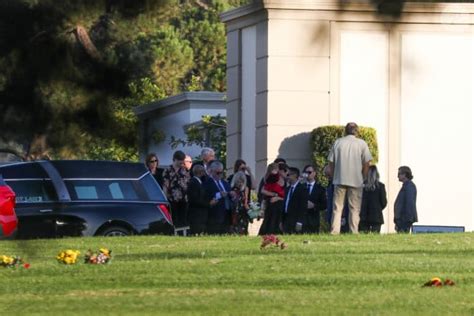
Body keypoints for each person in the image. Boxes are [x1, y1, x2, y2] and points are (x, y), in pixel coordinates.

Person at [327, 122, 372, 234]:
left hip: (339, 179)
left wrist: (333, 176)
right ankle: (354, 231)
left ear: (345, 130)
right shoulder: (362, 143)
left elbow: (331, 162)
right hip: (356, 180)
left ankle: (334, 232)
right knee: (354, 208)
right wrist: (364, 177)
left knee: (337, 208)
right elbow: (367, 162)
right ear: (357, 131)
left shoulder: (338, 142)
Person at [162, 150, 190, 228]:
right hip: (172, 199)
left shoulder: (184, 170)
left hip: (184, 199)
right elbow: (165, 185)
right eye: (180, 160)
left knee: (183, 219)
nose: (182, 162)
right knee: (174, 219)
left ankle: (183, 234)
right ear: (175, 159)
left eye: (182, 160)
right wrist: (165, 199)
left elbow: (188, 183)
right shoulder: (167, 170)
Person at [203, 160, 231, 234]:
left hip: (227, 214)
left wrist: (232, 194)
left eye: (221, 172)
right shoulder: (207, 183)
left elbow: (229, 193)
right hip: (215, 215)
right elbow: (206, 196)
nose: (220, 175)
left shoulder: (225, 183)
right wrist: (219, 195)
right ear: (211, 171)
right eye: (218, 173)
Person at [258, 163, 286, 235]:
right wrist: (275, 194)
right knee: (271, 220)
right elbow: (263, 190)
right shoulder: (272, 178)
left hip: (276, 202)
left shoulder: (282, 178)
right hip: (272, 203)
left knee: (273, 220)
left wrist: (277, 197)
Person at [359, 165, 387, 233]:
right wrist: (379, 208)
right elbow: (384, 202)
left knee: (363, 236)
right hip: (376, 215)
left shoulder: (362, 186)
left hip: (363, 214)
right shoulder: (380, 186)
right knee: (376, 236)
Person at [281, 167, 308, 234]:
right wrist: (281, 220)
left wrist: (300, 221)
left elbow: (303, 206)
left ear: (295, 175)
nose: (287, 177)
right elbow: (285, 204)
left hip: (296, 220)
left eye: (288, 175)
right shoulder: (287, 189)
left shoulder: (302, 189)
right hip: (286, 219)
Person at [302, 164, 326, 234]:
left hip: (314, 219)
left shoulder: (320, 189)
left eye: (309, 172)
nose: (307, 174)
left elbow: (324, 205)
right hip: (302, 219)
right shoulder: (301, 187)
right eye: (305, 172)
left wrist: (314, 206)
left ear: (314, 173)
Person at [394, 166, 417, 233]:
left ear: (404, 174)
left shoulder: (409, 186)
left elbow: (409, 203)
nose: (397, 176)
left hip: (404, 218)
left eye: (399, 174)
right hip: (402, 218)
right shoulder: (406, 186)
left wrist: (407, 219)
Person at [187, 164, 208, 235]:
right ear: (201, 172)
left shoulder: (198, 182)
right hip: (196, 214)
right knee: (197, 231)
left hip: (200, 213)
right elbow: (195, 199)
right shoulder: (193, 183)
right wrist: (208, 203)